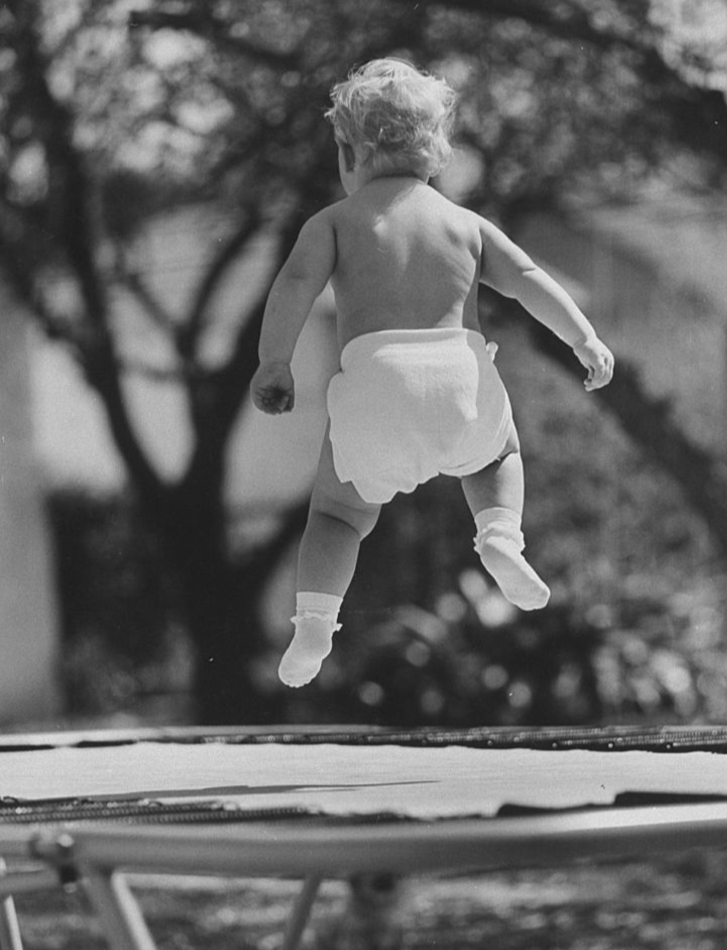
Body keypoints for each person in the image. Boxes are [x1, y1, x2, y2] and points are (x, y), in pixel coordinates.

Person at [251, 58, 614, 688]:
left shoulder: (333, 223)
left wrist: (275, 361)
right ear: (438, 152)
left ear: (347, 151)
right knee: (495, 457)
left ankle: (315, 621)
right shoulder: (465, 224)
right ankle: (500, 535)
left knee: (337, 517)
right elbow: (528, 279)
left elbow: (294, 286)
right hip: (458, 379)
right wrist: (583, 337)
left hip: (375, 382)